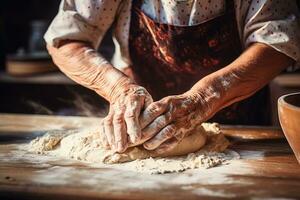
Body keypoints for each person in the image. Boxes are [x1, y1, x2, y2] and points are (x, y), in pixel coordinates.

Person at [45, 0, 300, 153]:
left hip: (243, 128)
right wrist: (119, 90)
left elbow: (278, 42)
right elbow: (67, 39)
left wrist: (204, 97)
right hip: (138, 122)